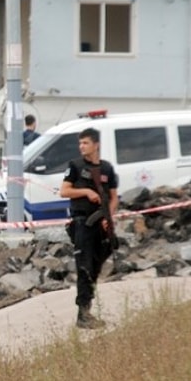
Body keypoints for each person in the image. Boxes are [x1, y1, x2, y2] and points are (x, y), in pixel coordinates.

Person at [60, 128, 118, 329]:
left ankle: (88, 308)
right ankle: (82, 315)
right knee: (84, 267)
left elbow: (113, 197)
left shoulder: (107, 169)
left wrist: (107, 217)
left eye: (85, 143)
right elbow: (64, 191)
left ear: (96, 145)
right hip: (82, 223)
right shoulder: (75, 166)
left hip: (99, 225)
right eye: (80, 143)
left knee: (95, 267)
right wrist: (85, 191)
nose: (81, 147)